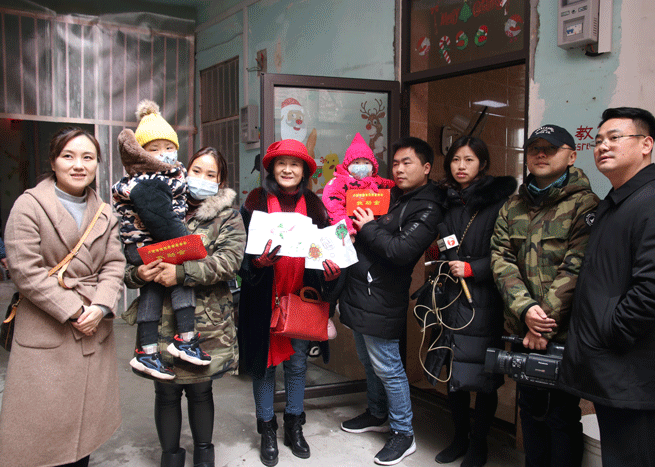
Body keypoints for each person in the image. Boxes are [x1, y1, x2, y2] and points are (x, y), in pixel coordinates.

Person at [560, 108, 655, 467]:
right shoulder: (618, 202)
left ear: (646, 144)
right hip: (610, 365)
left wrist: (610, 334)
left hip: (628, 368)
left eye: (614, 138)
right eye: (598, 140)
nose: (602, 146)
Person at [0, 127, 126, 467]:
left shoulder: (104, 212)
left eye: (88, 157)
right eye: (68, 156)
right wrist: (74, 310)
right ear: (53, 161)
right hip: (48, 326)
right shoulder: (29, 206)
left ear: (97, 164)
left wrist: (100, 306)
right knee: (41, 432)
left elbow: (114, 263)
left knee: (84, 430)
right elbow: (25, 270)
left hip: (93, 326)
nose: (78, 165)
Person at [122, 146, 245, 467]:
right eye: (196, 171)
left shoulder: (227, 216)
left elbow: (229, 262)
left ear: (220, 182)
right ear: (183, 171)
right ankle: (170, 457)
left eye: (210, 174)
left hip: (204, 323)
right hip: (159, 321)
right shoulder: (159, 204)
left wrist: (181, 273)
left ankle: (204, 455)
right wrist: (138, 274)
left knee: (201, 390)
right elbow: (126, 262)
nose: (201, 178)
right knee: (165, 393)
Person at [491, 124, 599, 467]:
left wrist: (543, 323)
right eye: (534, 148)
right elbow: (501, 259)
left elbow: (577, 267)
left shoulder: (585, 205)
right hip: (523, 330)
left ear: (571, 155)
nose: (540, 154)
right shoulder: (512, 206)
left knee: (561, 417)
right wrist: (526, 311)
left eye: (550, 148)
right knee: (529, 410)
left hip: (563, 336)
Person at [339, 136, 445, 466]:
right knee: (368, 360)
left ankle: (403, 433)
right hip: (361, 290)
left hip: (382, 296)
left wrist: (368, 226)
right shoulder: (392, 195)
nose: (398, 169)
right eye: (395, 163)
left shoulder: (428, 207)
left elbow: (400, 251)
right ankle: (377, 412)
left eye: (406, 163)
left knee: (388, 366)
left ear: (426, 168)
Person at [238, 139, 342, 467]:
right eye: (281, 163)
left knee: (297, 365)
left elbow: (326, 249)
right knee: (264, 367)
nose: (287, 169)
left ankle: (294, 425)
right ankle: (267, 428)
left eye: (295, 164)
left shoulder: (315, 206)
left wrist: (330, 272)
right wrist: (257, 264)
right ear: (271, 168)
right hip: (263, 300)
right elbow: (239, 251)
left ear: (304, 171)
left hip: (300, 300)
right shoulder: (254, 202)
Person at [422, 136, 516, 467]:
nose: (461, 166)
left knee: (484, 379)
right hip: (452, 300)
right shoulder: (448, 201)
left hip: (483, 302)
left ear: (483, 164)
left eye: (469, 160)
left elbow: (509, 254)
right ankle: (459, 438)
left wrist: (473, 268)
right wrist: (440, 253)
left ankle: (479, 444)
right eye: (455, 159)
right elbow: (445, 243)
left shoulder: (499, 204)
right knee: (455, 377)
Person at [113, 99, 209, 380]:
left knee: (151, 290)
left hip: (143, 245)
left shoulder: (165, 174)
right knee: (180, 273)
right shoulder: (148, 180)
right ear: (140, 153)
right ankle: (186, 339)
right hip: (148, 242)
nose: (163, 154)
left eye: (168, 147)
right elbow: (162, 221)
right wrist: (188, 245)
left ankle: (146, 351)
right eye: (153, 149)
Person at [322, 132, 395, 237]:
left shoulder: (376, 180)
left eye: (366, 163)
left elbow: (391, 185)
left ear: (373, 167)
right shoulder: (339, 182)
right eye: (356, 163)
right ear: (347, 166)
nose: (361, 166)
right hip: (352, 235)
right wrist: (348, 230)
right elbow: (334, 207)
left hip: (374, 232)